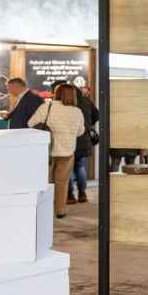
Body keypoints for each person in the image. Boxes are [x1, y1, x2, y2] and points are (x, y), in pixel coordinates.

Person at [29, 83, 85, 219]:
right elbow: (80, 131)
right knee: (62, 183)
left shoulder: (47, 107)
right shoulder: (77, 111)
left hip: (47, 151)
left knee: (45, 182)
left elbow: (30, 123)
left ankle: (44, 210)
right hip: (67, 151)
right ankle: (60, 211)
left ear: (57, 93)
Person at [67, 86, 100, 204]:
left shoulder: (66, 103)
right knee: (80, 166)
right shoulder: (86, 101)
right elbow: (97, 115)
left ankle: (70, 195)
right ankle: (82, 193)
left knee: (68, 168)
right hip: (84, 139)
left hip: (69, 139)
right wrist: (88, 123)